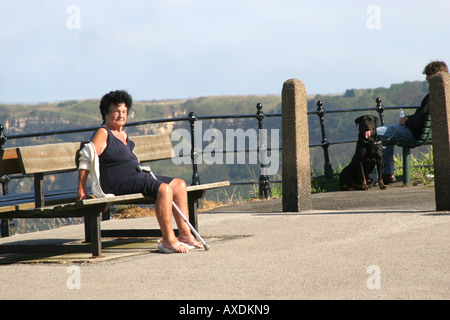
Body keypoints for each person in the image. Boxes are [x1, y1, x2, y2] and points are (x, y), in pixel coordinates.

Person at [77, 90, 203, 253]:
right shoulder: (104, 132)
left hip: (135, 176)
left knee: (179, 184)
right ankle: (168, 240)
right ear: (106, 114)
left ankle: (185, 235)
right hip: (117, 182)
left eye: (124, 111)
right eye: (116, 111)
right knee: (164, 189)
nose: (121, 115)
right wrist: (81, 188)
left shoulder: (123, 134)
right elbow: (86, 156)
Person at [373, 60, 448, 184]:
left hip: (414, 133)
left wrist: (406, 121)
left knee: (377, 133)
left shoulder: (432, 96)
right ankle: (386, 173)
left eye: (428, 75)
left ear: (435, 75)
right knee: (386, 136)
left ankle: (375, 175)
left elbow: (417, 122)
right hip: (433, 134)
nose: (427, 78)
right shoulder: (445, 94)